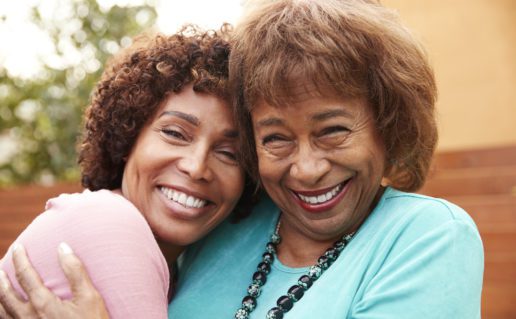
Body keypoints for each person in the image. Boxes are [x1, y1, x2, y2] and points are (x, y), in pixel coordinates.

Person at [0, 0, 484, 318]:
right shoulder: (226, 231)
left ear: (389, 125)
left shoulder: (427, 237)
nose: (308, 167)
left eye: (333, 131)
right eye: (276, 138)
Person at [0, 25, 254, 318]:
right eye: (175, 133)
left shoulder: (177, 267)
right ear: (127, 138)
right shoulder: (111, 221)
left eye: (228, 153)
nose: (197, 167)